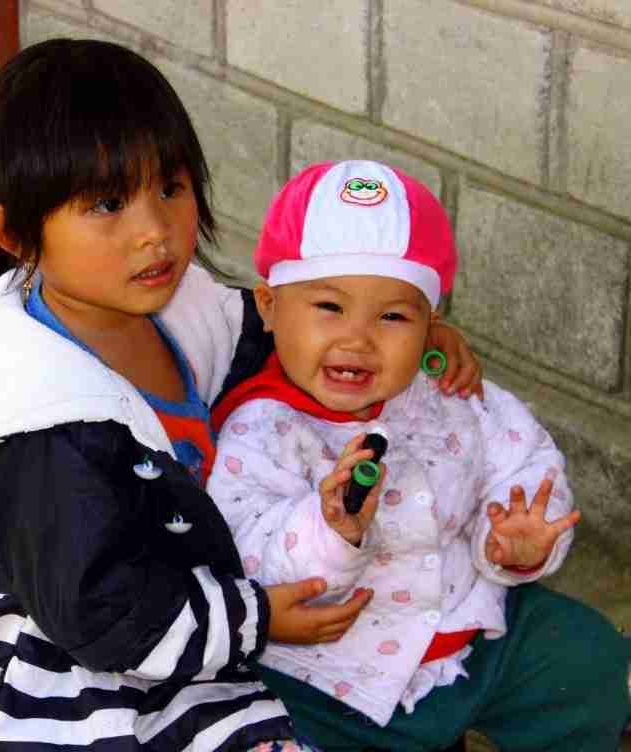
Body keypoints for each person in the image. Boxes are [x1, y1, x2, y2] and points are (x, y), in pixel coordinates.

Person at [0, 42, 483, 752]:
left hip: (185, 599)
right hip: (78, 660)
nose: (156, 230)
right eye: (109, 203)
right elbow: (106, 618)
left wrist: (415, 333)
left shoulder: (182, 308)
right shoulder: (43, 436)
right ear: (19, 234)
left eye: (171, 186)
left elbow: (289, 334)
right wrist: (258, 620)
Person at [207, 159, 631, 751]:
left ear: (431, 324)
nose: (357, 337)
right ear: (271, 307)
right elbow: (244, 553)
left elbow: (523, 464)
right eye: (329, 307)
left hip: (468, 627)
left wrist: (514, 540)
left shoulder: (449, 394)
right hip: (329, 674)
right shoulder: (261, 429)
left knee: (587, 654)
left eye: (392, 316)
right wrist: (330, 531)